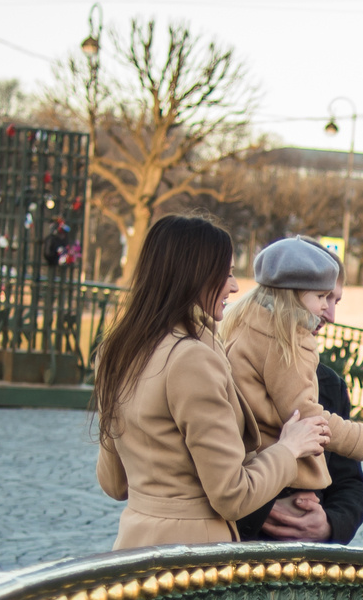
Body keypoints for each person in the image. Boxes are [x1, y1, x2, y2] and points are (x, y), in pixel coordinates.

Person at [91, 216, 328, 549]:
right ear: (196, 276)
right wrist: (289, 449)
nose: (234, 287)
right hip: (190, 560)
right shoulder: (192, 359)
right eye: (228, 273)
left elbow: (114, 483)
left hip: (133, 547)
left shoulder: (115, 350)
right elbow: (232, 495)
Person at [220, 239, 363, 511]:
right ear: (294, 295)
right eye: (322, 297)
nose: (329, 311)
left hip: (250, 465)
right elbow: (303, 416)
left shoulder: (242, 325)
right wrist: (357, 439)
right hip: (283, 475)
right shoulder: (287, 343)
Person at [238, 355, 363, 543]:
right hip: (238, 551)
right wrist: (259, 510)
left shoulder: (329, 383)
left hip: (307, 558)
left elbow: (349, 483)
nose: (328, 322)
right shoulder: (230, 369)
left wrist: (329, 525)